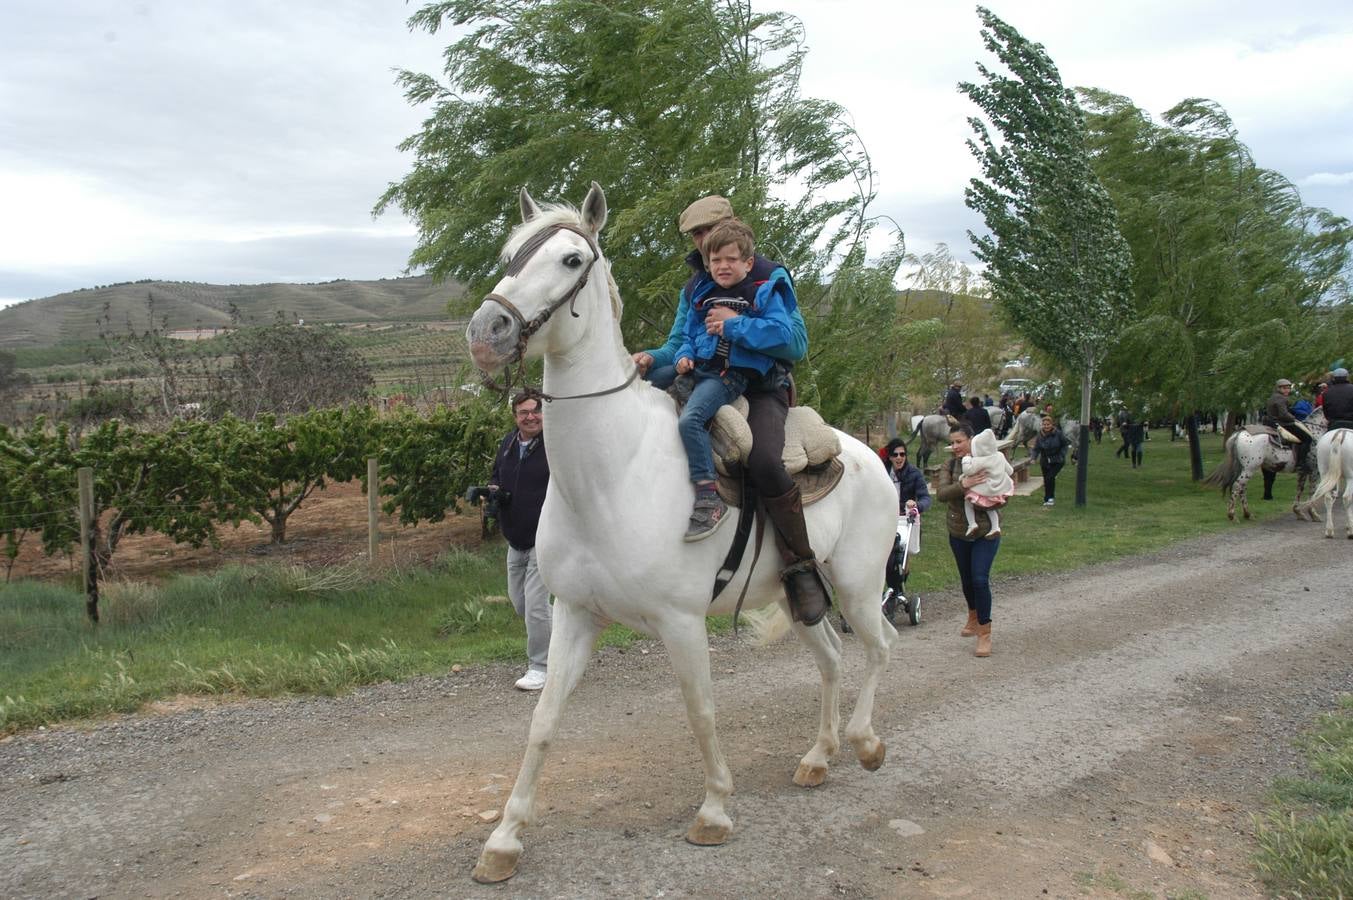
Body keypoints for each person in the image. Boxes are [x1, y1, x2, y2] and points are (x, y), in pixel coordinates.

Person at [634, 196, 829, 625]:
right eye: (696, 237)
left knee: (763, 460)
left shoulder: (767, 276)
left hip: (761, 387)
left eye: (709, 232)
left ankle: (801, 568)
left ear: (733, 228)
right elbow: (676, 343)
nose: (702, 242)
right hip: (705, 374)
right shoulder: (696, 286)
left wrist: (735, 324)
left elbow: (795, 343)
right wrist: (649, 358)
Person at [663, 218, 794, 543]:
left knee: (691, 421)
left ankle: (709, 498)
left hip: (733, 377)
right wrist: (683, 355)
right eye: (715, 260)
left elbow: (784, 334)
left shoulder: (765, 288)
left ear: (748, 262)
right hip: (702, 369)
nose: (722, 266)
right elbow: (690, 334)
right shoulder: (701, 291)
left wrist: (734, 324)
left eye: (730, 260)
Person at [490, 391, 552, 692]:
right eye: (523, 412)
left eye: (535, 411)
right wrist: (492, 490)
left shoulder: (554, 443)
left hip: (546, 535)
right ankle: (564, 646)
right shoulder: (509, 442)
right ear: (515, 416)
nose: (530, 417)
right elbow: (496, 474)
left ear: (543, 412)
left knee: (537, 605)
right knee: (521, 603)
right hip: (516, 536)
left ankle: (541, 667)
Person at [934, 424, 1001, 657]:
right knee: (966, 579)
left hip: (985, 532)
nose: (955, 447)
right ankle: (973, 614)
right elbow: (941, 494)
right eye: (952, 443)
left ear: (971, 440)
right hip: (959, 532)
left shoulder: (988, 459)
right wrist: (963, 485)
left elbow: (1003, 490)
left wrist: (995, 498)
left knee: (980, 579)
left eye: (959, 441)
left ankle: (984, 633)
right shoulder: (950, 465)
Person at [960, 428, 1014, 537]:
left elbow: (967, 471)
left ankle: (972, 524)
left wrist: (966, 460)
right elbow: (1010, 471)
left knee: (968, 503)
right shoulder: (999, 455)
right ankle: (995, 527)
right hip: (999, 489)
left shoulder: (978, 460)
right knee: (990, 508)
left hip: (984, 490)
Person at [1262, 378, 1312, 472]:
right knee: (1307, 438)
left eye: (1288, 388)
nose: (1287, 390)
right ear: (1278, 388)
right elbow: (1283, 414)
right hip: (1283, 424)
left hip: (1272, 422)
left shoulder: (1273, 397)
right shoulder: (1281, 398)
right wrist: (1294, 418)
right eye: (1284, 388)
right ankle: (1301, 463)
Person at [1032, 415, 1071, 507]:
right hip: (1045, 460)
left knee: (1050, 477)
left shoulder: (1058, 433)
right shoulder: (1040, 435)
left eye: (1048, 424)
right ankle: (1047, 498)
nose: (1046, 426)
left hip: (1057, 460)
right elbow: (1036, 448)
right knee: (1046, 479)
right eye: (1044, 424)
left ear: (1052, 424)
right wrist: (1033, 458)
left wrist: (1061, 455)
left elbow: (1065, 445)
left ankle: (1051, 498)